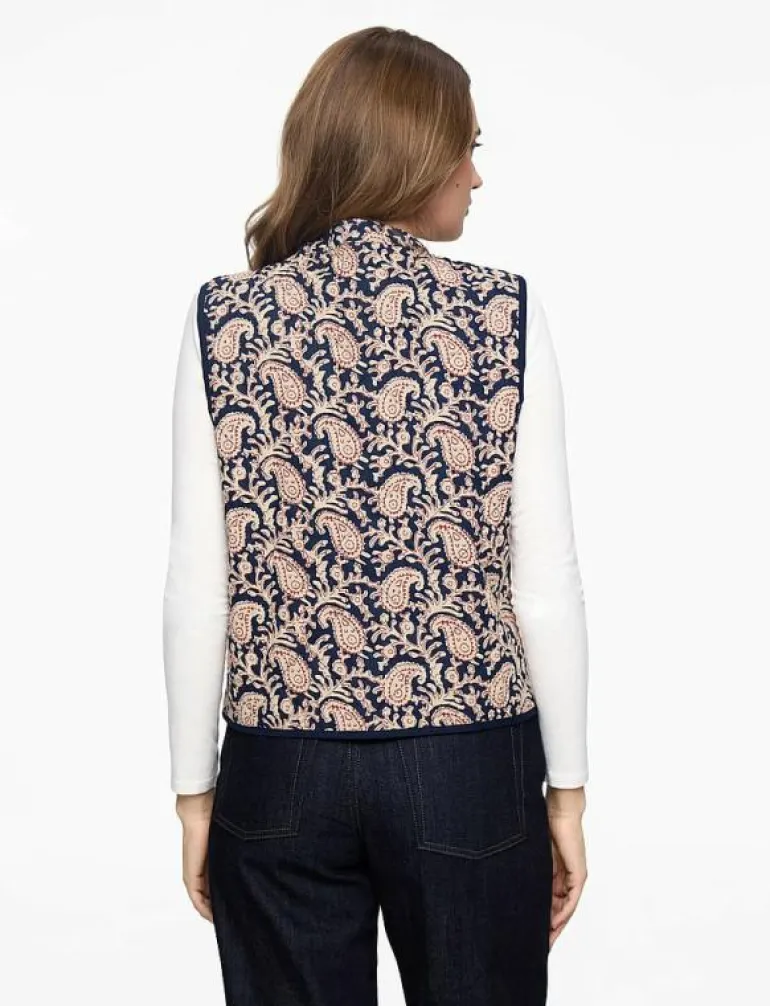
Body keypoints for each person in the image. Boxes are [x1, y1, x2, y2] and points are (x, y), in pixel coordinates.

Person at [162, 24, 589, 1006]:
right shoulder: (502, 315)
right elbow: (545, 583)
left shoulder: (226, 319)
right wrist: (564, 791)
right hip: (468, 760)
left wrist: (194, 792)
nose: (474, 176)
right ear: (406, 155)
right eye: (463, 148)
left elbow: (197, 584)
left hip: (280, 770)